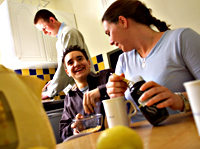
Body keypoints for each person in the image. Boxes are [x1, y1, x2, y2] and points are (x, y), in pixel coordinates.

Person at [102, 0, 200, 122]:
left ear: (122, 21)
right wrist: (115, 97)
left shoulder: (181, 39)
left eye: (108, 33)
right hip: (139, 139)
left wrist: (180, 100)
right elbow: (123, 116)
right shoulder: (123, 60)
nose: (110, 41)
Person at [34, 9, 95, 99]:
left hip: (85, 90)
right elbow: (65, 69)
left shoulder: (68, 33)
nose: (45, 33)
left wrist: (49, 93)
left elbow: (65, 68)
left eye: (44, 28)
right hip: (80, 91)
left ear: (52, 20)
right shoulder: (61, 39)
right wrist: (54, 81)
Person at [59, 45, 114, 140]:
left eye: (80, 59)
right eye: (71, 63)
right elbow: (63, 132)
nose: (76, 64)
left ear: (89, 63)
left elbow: (123, 82)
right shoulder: (69, 98)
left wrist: (101, 90)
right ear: (67, 72)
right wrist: (74, 128)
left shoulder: (106, 77)